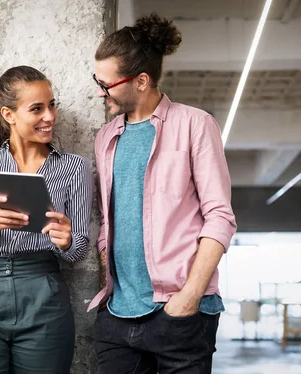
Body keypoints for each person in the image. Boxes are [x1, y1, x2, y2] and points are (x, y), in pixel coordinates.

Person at [88, 13, 237, 374]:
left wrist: (189, 296)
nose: (99, 90)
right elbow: (111, 219)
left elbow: (220, 217)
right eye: (98, 80)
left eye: (107, 83)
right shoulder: (106, 137)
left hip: (180, 313)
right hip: (117, 314)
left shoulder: (194, 124)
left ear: (141, 81)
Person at [0, 65, 92, 374]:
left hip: (43, 297)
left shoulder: (74, 168)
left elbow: (79, 248)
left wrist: (67, 240)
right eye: (37, 109)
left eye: (52, 105)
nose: (49, 116)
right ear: (9, 115)